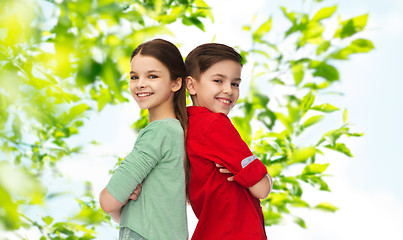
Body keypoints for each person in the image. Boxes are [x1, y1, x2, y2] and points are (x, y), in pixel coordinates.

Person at [99, 39, 188, 240]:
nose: (140, 84)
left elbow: (108, 201)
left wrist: (117, 198)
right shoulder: (177, 131)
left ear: (176, 83)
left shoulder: (159, 132)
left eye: (152, 76)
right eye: (134, 77)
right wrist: (120, 201)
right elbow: (120, 213)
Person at [185, 43, 273, 240]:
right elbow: (262, 188)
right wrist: (263, 175)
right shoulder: (215, 125)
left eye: (235, 83)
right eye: (218, 80)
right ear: (191, 85)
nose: (229, 90)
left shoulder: (187, 125)